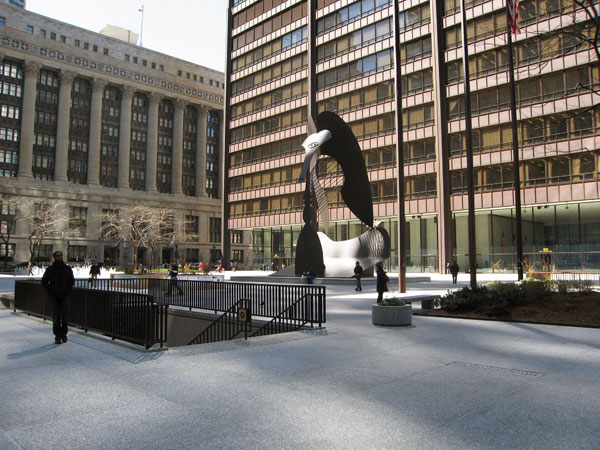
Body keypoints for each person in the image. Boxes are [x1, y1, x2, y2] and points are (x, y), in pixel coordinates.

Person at [41, 251, 74, 344]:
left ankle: (64, 334)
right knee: (56, 317)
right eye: (57, 256)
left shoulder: (67, 269)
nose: (59, 257)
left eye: (61, 255)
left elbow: (71, 281)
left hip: (65, 295)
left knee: (65, 316)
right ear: (54, 257)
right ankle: (57, 335)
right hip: (54, 296)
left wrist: (66, 290)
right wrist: (51, 290)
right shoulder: (50, 269)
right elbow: (44, 281)